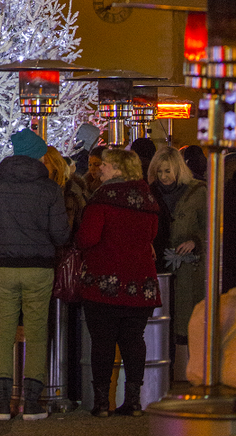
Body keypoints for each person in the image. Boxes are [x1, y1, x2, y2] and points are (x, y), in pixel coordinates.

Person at [0, 127, 70, 422]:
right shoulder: (50, 189)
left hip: (3, 266)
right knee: (37, 334)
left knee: (3, 333)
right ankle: (32, 402)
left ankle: (2, 402)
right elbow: (60, 235)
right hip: (39, 269)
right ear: (39, 155)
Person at [77, 147, 161, 418]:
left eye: (107, 165)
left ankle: (102, 403)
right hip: (140, 281)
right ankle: (134, 401)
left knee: (102, 342)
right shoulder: (148, 198)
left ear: (119, 169)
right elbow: (151, 234)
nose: (100, 168)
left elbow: (87, 237)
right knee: (134, 341)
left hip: (105, 282)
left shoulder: (103, 198)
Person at [148, 145, 206, 344]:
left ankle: (185, 367)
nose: (163, 177)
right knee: (161, 320)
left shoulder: (198, 192)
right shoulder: (150, 193)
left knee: (186, 320)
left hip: (189, 267)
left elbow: (211, 227)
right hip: (158, 263)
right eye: (159, 171)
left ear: (178, 169)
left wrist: (195, 241)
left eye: (167, 171)